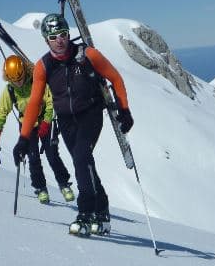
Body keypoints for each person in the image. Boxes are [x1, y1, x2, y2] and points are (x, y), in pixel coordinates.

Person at [12, 14, 134, 235]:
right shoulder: (43, 66)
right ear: (46, 40)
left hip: (91, 114)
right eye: (53, 37)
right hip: (66, 121)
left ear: (68, 34)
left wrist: (124, 109)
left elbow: (115, 78)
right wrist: (23, 138)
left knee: (80, 158)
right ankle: (102, 211)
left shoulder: (88, 55)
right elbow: (34, 104)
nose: (60, 40)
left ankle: (85, 213)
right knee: (84, 164)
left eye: (63, 34)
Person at [0, 54, 75, 204]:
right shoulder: (10, 90)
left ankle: (64, 184)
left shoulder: (37, 80)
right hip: (27, 125)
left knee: (52, 154)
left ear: (24, 71)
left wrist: (47, 122)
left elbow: (50, 102)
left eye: (20, 78)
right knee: (33, 157)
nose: (18, 82)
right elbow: (2, 111)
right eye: (14, 80)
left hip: (45, 120)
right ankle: (40, 188)